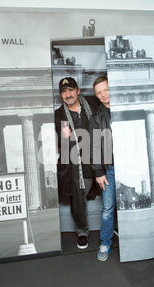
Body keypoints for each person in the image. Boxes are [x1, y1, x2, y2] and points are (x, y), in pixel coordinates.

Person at [54, 77, 100, 250]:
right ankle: (82, 232)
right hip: (79, 164)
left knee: (111, 192)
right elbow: (63, 144)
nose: (68, 94)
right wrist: (64, 137)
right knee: (79, 198)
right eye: (64, 92)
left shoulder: (92, 104)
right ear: (61, 95)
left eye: (71, 90)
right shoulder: (59, 115)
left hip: (100, 158)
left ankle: (120, 225)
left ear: (78, 91)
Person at [89, 76, 116, 261]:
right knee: (107, 208)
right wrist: (98, 172)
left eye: (105, 90)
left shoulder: (126, 109)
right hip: (110, 168)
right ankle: (105, 243)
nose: (103, 95)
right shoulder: (96, 118)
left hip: (132, 166)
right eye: (99, 93)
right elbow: (94, 147)